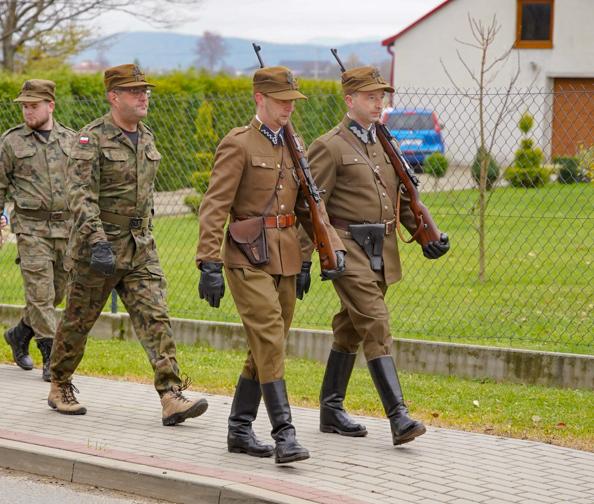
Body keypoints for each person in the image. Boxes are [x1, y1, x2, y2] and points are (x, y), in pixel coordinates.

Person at [195, 66, 346, 464]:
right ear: (259, 99)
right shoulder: (239, 144)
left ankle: (239, 429)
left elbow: (309, 206)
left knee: (267, 344)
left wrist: (323, 248)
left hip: (286, 257)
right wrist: (208, 262)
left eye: (292, 101)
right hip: (246, 255)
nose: (288, 108)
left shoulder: (294, 145)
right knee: (268, 337)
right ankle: (285, 435)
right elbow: (214, 206)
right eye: (281, 101)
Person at [46, 64, 208, 425]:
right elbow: (80, 196)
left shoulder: (147, 136)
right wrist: (99, 241)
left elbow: (145, 195)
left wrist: (145, 234)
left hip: (139, 248)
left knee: (156, 317)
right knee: (77, 321)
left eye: (145, 91)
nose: (143, 97)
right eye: (134, 92)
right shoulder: (90, 139)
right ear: (113, 96)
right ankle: (59, 384)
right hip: (96, 248)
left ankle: (170, 395)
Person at [306, 66, 450, 446]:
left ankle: (331, 409)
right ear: (349, 100)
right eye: (370, 97)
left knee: (351, 326)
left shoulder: (385, 143)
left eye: (381, 96)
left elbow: (398, 198)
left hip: (382, 252)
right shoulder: (329, 145)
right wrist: (308, 258)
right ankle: (399, 416)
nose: (378, 103)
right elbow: (312, 208)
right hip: (346, 246)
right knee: (375, 320)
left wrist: (424, 236)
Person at [0, 80, 75, 381]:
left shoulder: (72, 140)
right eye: (24, 106)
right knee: (40, 294)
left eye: (33, 105)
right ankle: (51, 358)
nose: (27, 111)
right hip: (31, 229)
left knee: (55, 295)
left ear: (50, 106)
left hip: (66, 227)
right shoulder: (12, 142)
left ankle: (19, 333)